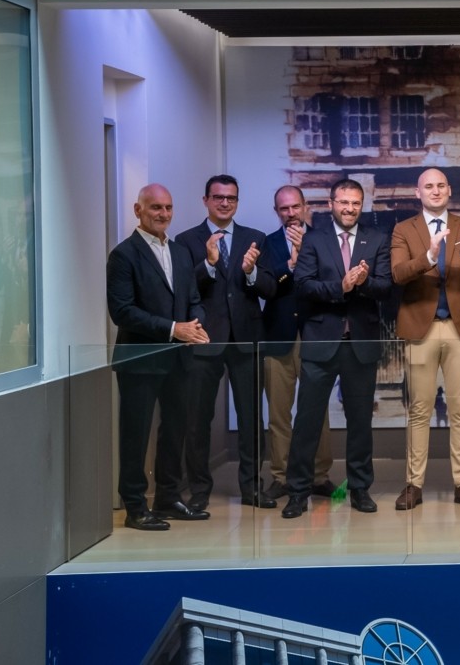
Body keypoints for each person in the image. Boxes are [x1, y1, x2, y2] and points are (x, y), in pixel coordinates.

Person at [281, 179, 392, 519]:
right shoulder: (314, 239)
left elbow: (386, 286)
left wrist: (364, 283)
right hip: (321, 342)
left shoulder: (377, 239)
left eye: (355, 203)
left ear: (362, 205)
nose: (349, 208)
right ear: (331, 203)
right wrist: (339, 287)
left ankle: (360, 488)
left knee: (360, 422)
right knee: (308, 421)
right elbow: (303, 286)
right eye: (343, 202)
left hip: (360, 344)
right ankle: (297, 492)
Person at [106, 184, 210, 531]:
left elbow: (193, 299)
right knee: (135, 435)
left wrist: (195, 325)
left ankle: (168, 497)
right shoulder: (123, 255)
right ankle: (135, 506)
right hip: (140, 360)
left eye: (168, 208)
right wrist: (174, 329)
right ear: (138, 210)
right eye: (155, 208)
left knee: (175, 431)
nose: (163, 214)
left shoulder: (180, 252)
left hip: (179, 359)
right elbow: (122, 312)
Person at [175, 175, 277, 510]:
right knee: (197, 419)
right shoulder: (186, 240)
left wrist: (250, 271)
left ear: (237, 202)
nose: (224, 203)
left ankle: (252, 488)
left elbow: (269, 289)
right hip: (203, 338)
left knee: (251, 419)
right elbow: (183, 288)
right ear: (205, 200)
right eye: (218, 197)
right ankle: (199, 490)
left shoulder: (255, 238)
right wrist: (208, 264)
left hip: (246, 339)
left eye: (231, 198)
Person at [390, 168, 460, 510]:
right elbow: (398, 274)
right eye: (428, 186)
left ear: (449, 191)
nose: (435, 191)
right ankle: (413, 484)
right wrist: (430, 256)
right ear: (417, 193)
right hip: (421, 326)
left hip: (459, 327)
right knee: (420, 409)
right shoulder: (404, 229)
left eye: (441, 186)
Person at [258, 186, 335, 502]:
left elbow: (332, 282)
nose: (290, 213)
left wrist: (305, 255)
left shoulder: (324, 239)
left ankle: (319, 475)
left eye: (294, 207)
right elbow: (264, 287)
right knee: (278, 412)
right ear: (276, 211)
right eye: (283, 209)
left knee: (318, 411)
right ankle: (281, 476)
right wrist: (289, 267)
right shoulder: (267, 243)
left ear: (305, 207)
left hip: (316, 334)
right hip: (278, 336)